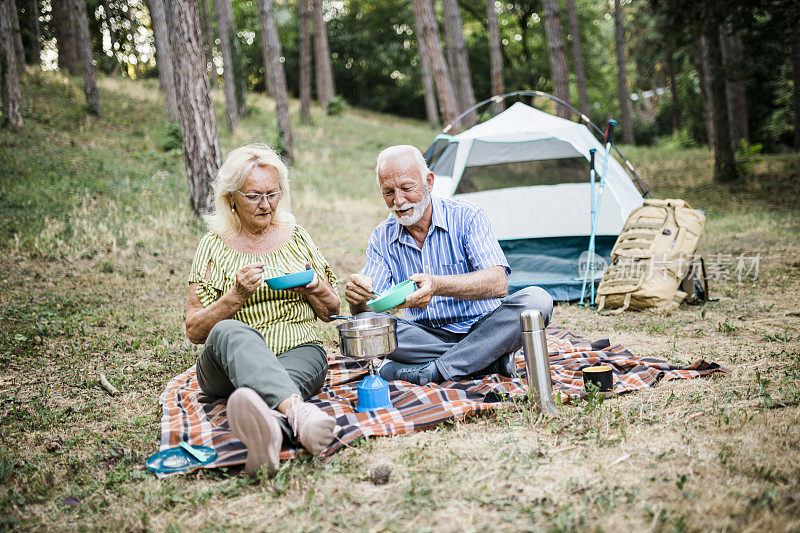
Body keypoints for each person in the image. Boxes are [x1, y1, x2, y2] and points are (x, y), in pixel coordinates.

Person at [185, 143, 340, 476]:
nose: (266, 204)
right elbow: (195, 331)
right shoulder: (213, 245)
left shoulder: (297, 238)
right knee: (227, 330)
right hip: (225, 364)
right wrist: (235, 296)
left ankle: (273, 428)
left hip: (297, 351)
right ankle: (301, 417)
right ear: (231, 199)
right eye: (254, 196)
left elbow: (331, 312)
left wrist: (314, 287)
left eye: (273, 194)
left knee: (277, 389)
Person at [345, 145, 553, 385]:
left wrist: (437, 285)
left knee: (537, 301)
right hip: (424, 336)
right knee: (361, 324)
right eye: (388, 192)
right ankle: (489, 361)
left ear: (429, 182)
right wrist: (357, 298)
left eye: (406, 188)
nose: (398, 200)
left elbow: (498, 283)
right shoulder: (381, 236)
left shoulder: (468, 216)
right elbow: (372, 307)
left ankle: (435, 372)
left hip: (483, 327)